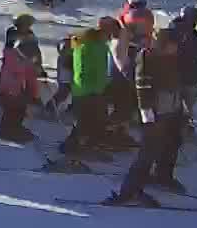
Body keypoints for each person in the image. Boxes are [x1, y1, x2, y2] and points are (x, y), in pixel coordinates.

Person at [105, 28, 188, 204]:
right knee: (148, 152)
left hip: (171, 109)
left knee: (172, 143)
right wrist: (146, 111)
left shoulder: (172, 58)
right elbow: (142, 86)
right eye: (173, 45)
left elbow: (176, 83)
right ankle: (130, 191)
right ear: (165, 44)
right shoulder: (147, 56)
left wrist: (181, 105)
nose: (176, 48)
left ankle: (163, 176)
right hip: (155, 111)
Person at [59, 20, 113, 158]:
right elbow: (87, 69)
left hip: (90, 89)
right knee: (87, 121)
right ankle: (75, 147)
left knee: (91, 120)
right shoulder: (91, 47)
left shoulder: (94, 46)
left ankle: (84, 145)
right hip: (89, 90)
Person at [0, 15, 41, 142]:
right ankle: (8, 129)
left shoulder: (29, 36)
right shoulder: (14, 36)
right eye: (27, 24)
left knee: (20, 105)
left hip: (22, 75)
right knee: (13, 104)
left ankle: (15, 127)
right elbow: (19, 55)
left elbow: (34, 53)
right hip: (13, 76)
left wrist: (37, 65)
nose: (28, 27)